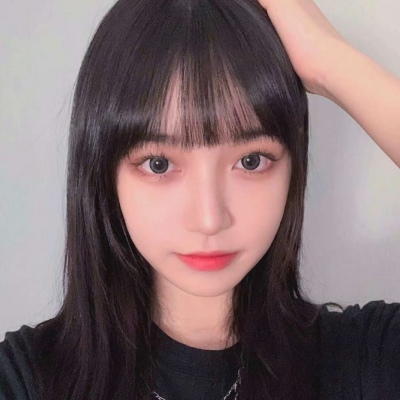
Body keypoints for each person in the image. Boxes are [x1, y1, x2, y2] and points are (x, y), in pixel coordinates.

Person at [1, 0, 399, 399]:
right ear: (104, 171)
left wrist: (329, 62)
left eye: (250, 161)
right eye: (159, 164)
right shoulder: (27, 380)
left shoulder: (362, 361)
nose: (210, 219)